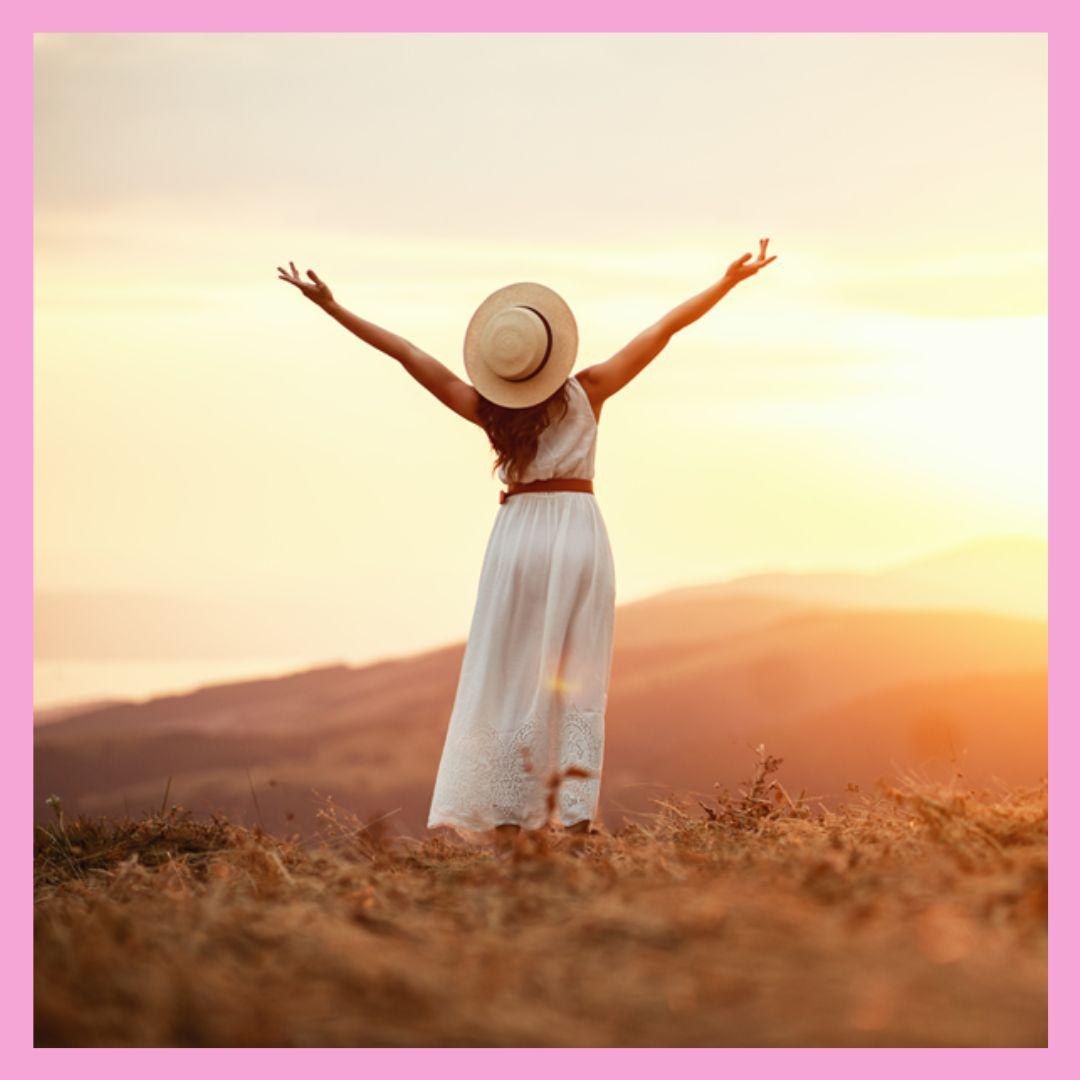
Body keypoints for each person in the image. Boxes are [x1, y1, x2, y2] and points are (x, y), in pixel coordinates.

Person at [276, 240, 778, 855]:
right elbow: (665, 328)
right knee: (575, 671)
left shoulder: (487, 410)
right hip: (576, 531)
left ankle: (507, 823)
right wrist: (727, 282)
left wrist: (332, 307)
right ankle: (570, 822)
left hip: (517, 538)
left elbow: (406, 353)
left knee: (509, 672)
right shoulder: (590, 390)